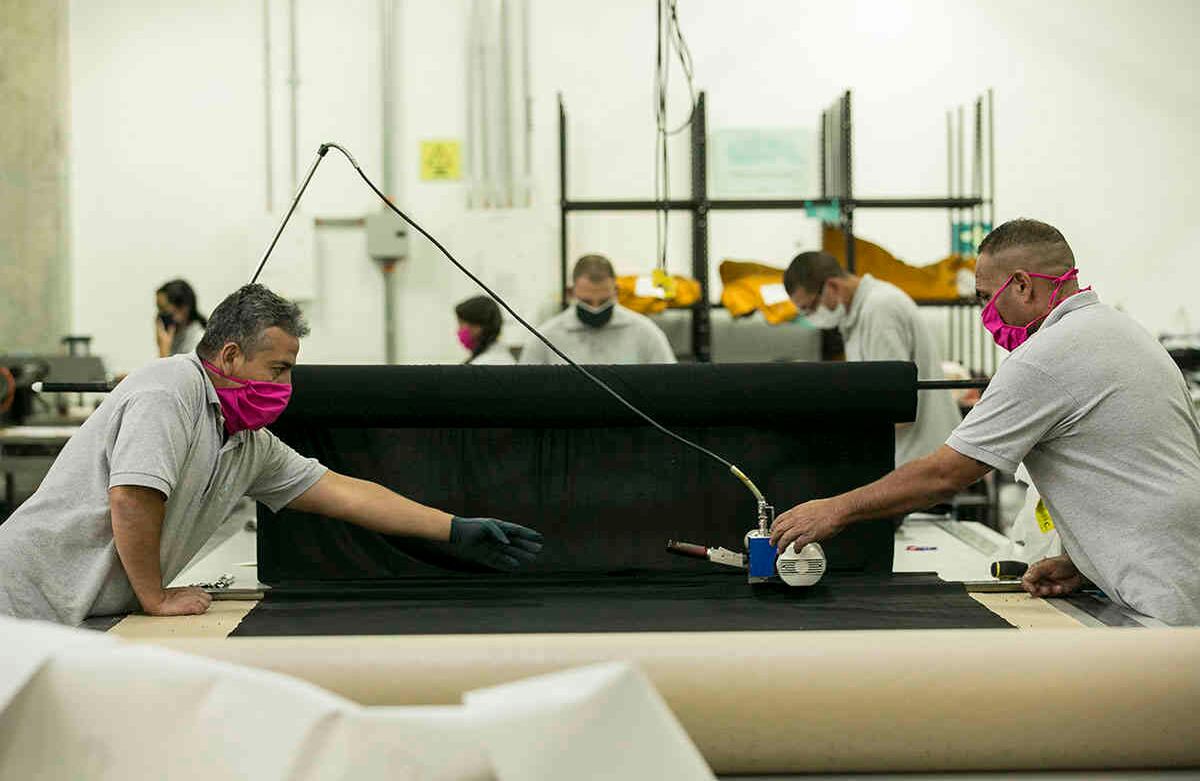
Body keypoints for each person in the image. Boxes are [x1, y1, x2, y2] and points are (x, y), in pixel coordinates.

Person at [0, 284, 543, 625]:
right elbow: (132, 497)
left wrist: (453, 528)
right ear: (231, 356)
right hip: (26, 601)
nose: (286, 385)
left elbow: (345, 493)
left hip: (80, 613)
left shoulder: (245, 442)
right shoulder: (169, 391)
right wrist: (155, 597)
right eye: (278, 369)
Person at [770, 219, 1200, 625]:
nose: (985, 313)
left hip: (1159, 593)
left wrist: (834, 510)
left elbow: (946, 473)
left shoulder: (1046, 356)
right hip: (1175, 565)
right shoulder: (1121, 331)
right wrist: (1089, 564)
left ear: (1021, 285)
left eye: (984, 296)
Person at [784, 251, 961, 467]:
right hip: (908, 457)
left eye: (810, 307)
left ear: (833, 286)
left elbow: (893, 405)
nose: (812, 316)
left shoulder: (880, 310)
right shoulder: (856, 314)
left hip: (920, 459)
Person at [520, 255, 676, 365]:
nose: (595, 308)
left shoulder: (645, 333)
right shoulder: (545, 339)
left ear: (616, 291)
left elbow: (669, 383)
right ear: (571, 293)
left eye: (604, 301)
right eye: (586, 301)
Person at [455, 295, 514, 365]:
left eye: (461, 323)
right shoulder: (502, 357)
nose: (459, 329)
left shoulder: (483, 363)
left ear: (477, 326)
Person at [156, 279, 207, 357]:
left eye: (163, 309)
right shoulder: (176, 338)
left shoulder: (198, 343)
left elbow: (168, 369)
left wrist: (164, 351)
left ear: (184, 308)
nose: (159, 315)